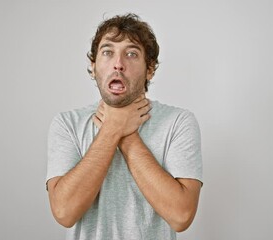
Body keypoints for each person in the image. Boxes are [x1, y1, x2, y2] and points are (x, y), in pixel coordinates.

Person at [46, 13, 203, 240]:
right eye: (108, 52)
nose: (118, 64)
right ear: (93, 66)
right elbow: (64, 212)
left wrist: (126, 134)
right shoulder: (67, 124)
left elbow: (181, 216)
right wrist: (112, 130)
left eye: (131, 54)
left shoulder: (178, 122)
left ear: (150, 69)